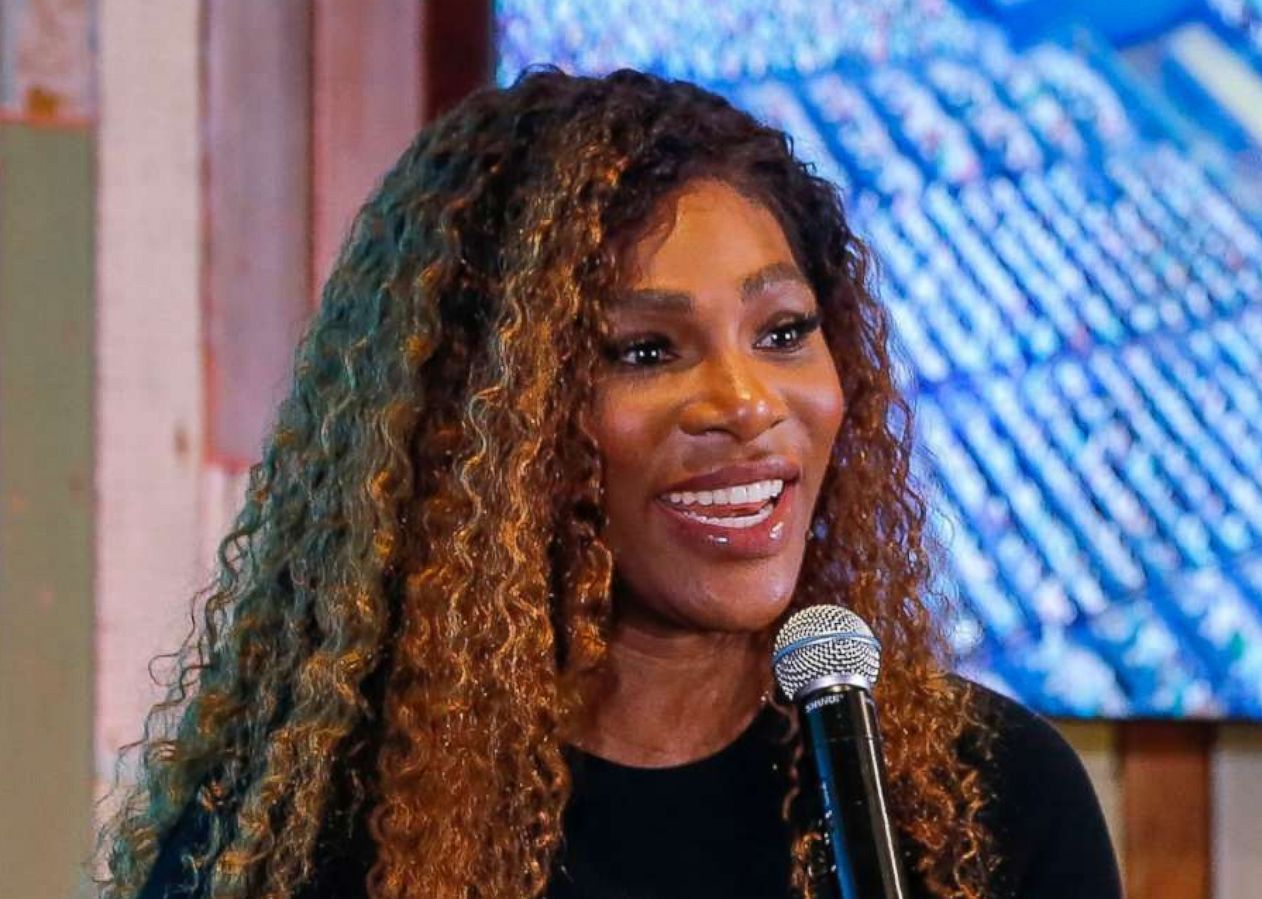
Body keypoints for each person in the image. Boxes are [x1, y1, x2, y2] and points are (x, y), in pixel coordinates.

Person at [99, 68, 1121, 899]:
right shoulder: (304, 834)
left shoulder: (989, 802)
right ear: (484, 421)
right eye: (642, 351)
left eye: (781, 332)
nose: (746, 400)